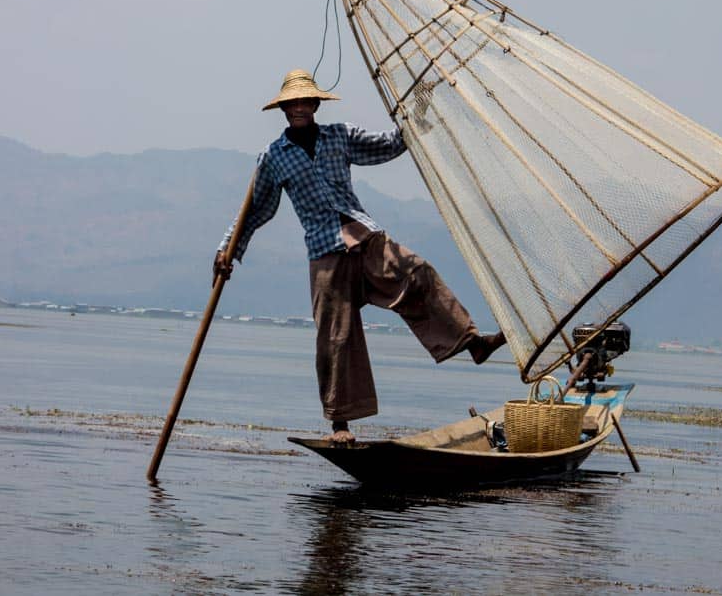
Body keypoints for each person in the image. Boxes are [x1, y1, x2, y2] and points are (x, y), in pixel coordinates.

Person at [215, 69, 505, 443]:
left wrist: (419, 107)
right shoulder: (273, 157)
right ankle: (340, 425)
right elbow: (254, 210)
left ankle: (472, 343)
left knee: (417, 273)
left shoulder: (340, 136)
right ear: (284, 110)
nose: (299, 108)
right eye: (293, 104)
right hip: (325, 253)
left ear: (315, 105)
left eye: (305, 102)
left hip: (364, 238)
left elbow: (390, 145)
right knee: (336, 337)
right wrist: (227, 250)